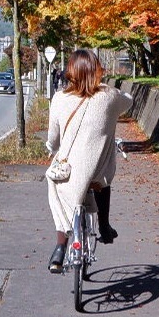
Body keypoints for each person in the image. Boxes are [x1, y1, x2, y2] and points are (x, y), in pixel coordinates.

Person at [44, 48, 132, 273]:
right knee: (102, 181)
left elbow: (53, 138)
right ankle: (104, 225)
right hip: (96, 172)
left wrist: (52, 149)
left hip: (69, 173)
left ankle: (60, 248)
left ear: (70, 72)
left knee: (58, 193)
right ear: (97, 71)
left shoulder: (60, 99)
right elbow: (128, 101)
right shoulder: (109, 97)